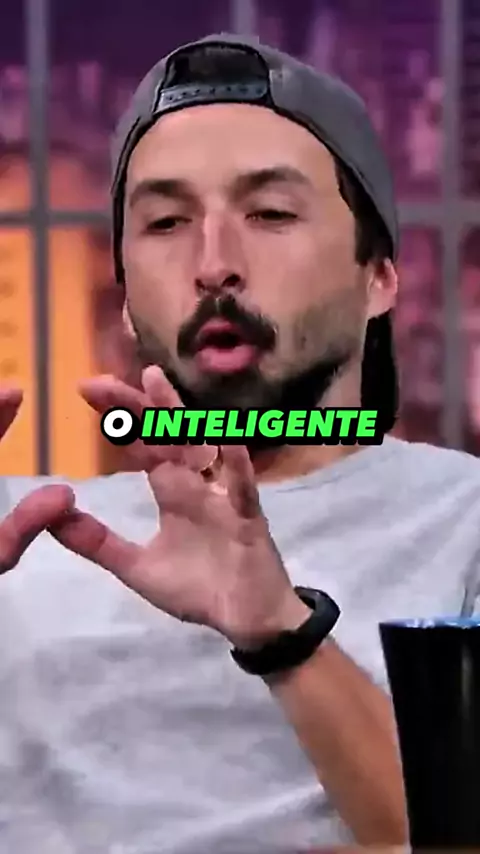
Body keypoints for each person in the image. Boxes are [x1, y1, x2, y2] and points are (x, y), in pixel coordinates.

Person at [0, 32, 479, 854]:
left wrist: (283, 633)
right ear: (126, 299)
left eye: (271, 214)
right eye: (165, 222)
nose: (214, 263)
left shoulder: (462, 519)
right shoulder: (25, 532)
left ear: (379, 277)